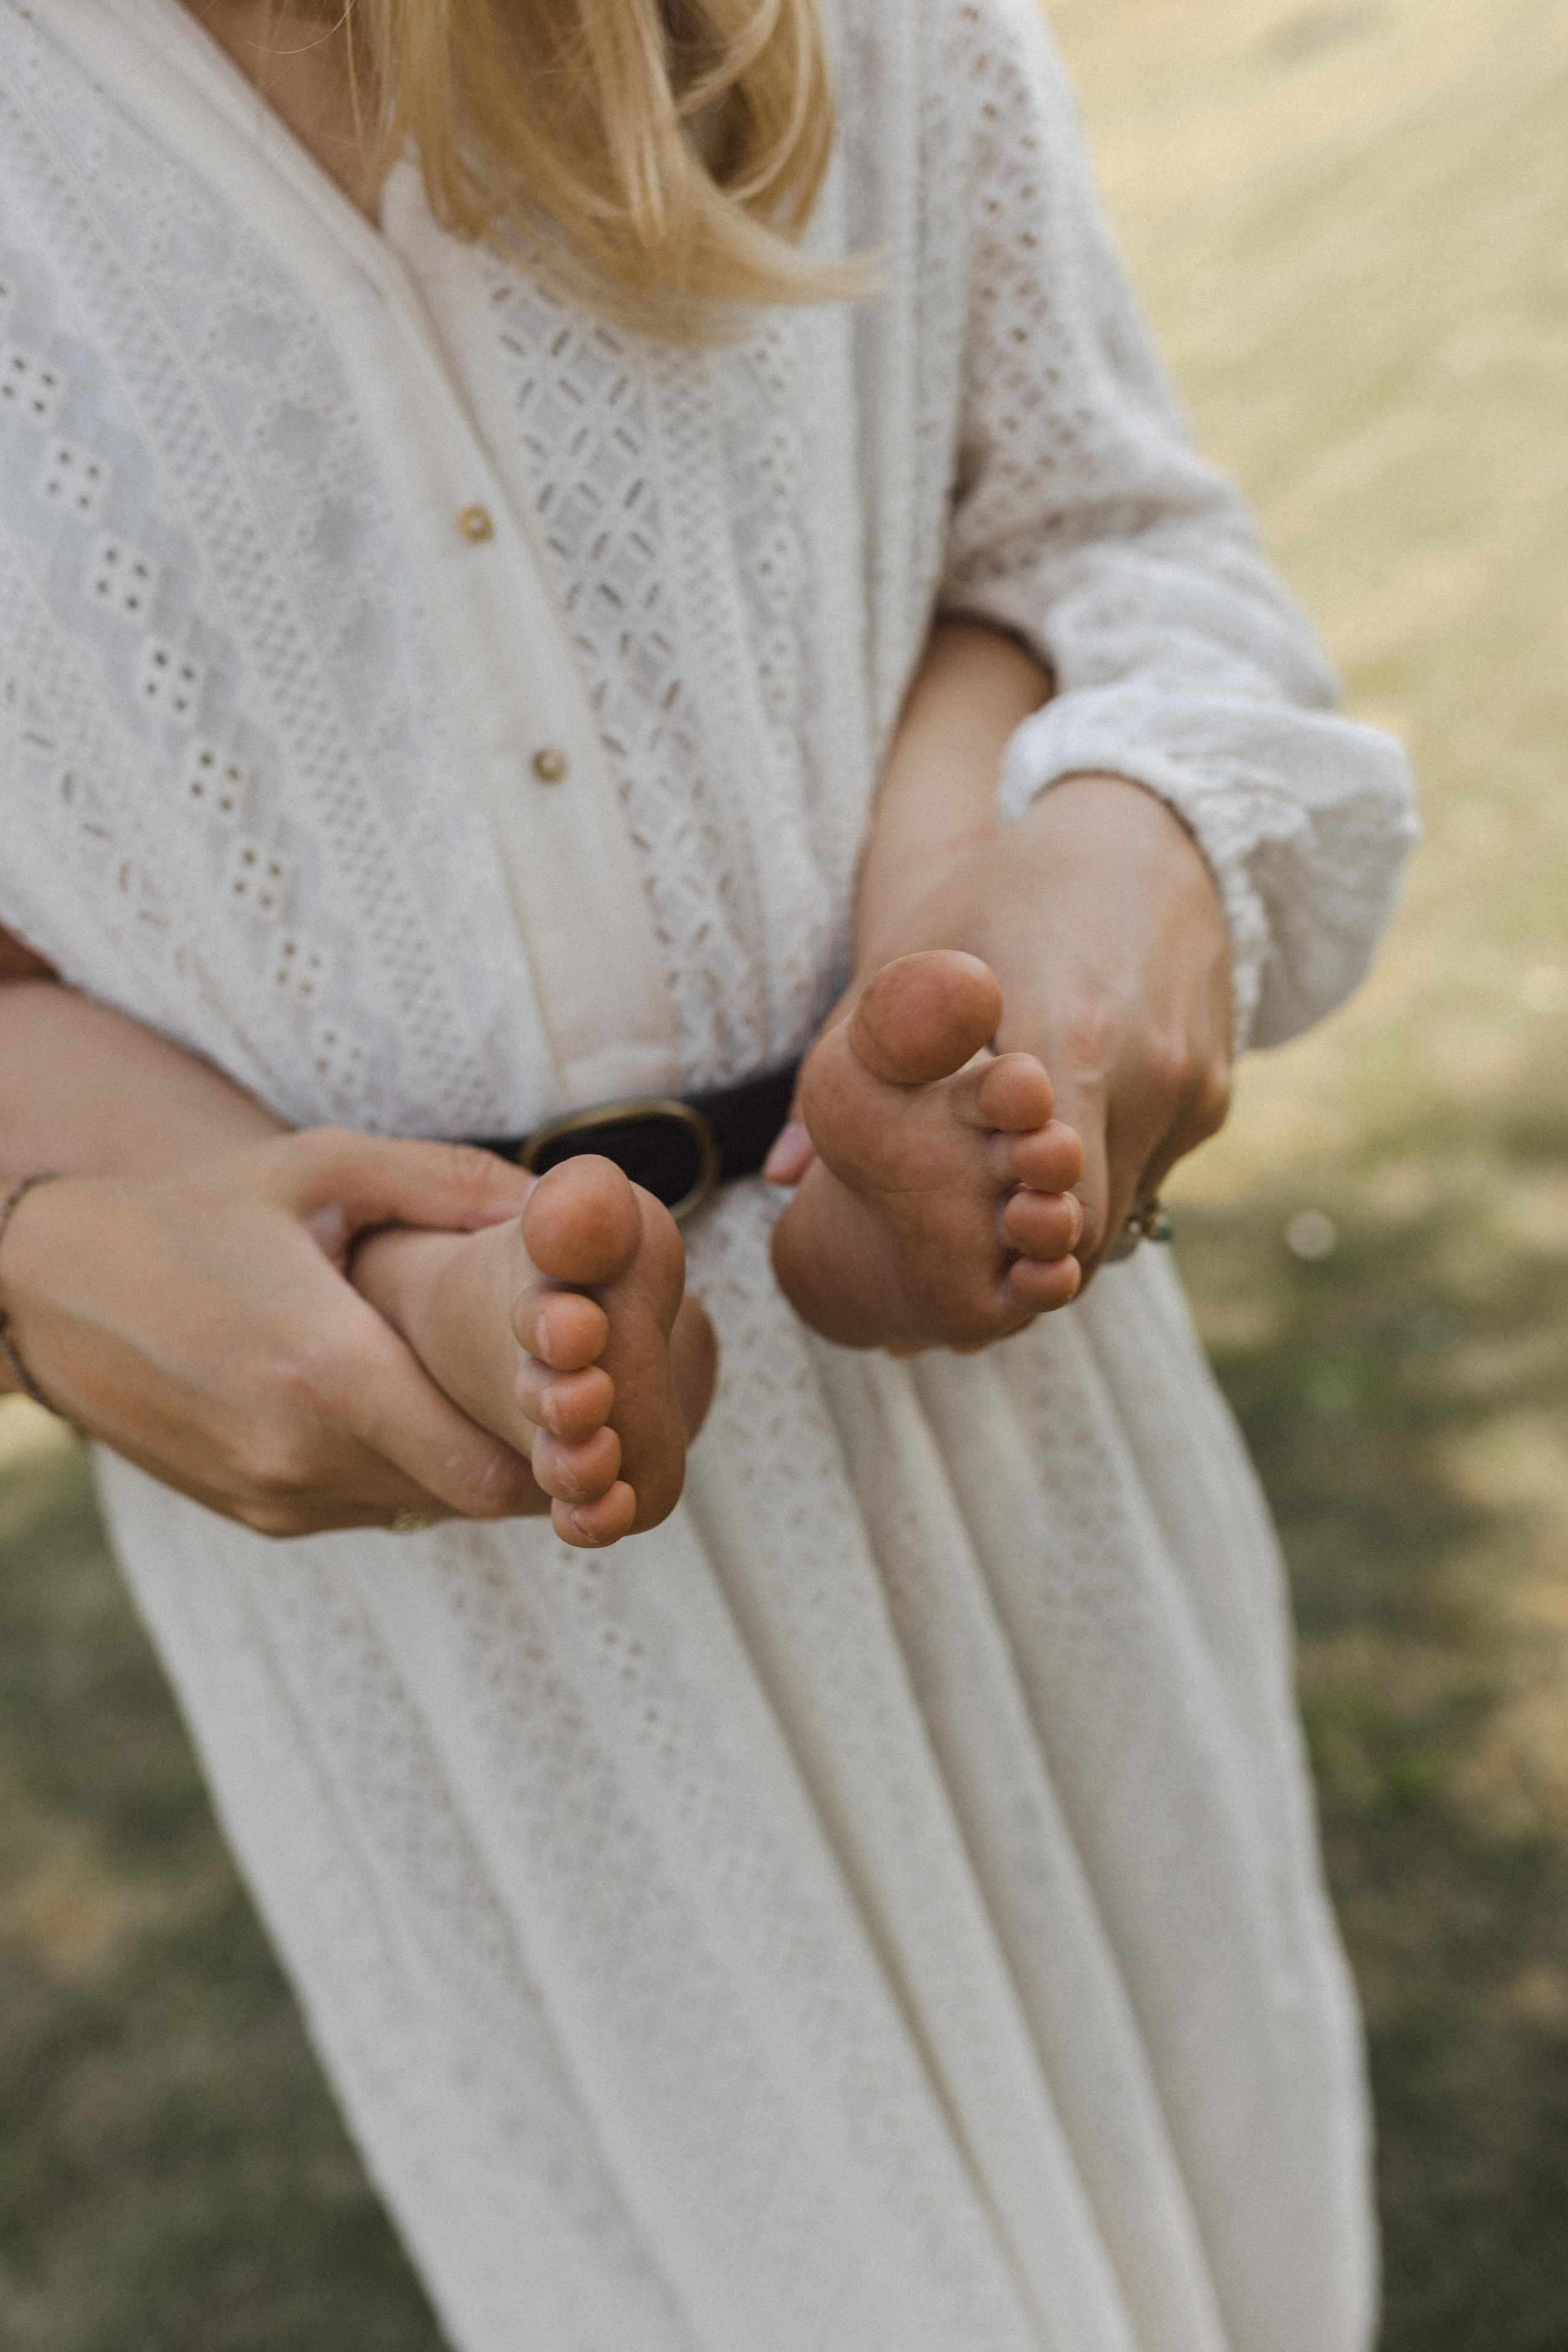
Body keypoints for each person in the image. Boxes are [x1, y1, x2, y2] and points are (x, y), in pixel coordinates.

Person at [0, 1, 1417, 2346]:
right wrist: (68, 1252)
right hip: (479, 1701)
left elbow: (1097, 535)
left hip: (1015, 1508)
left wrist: (1091, 870)